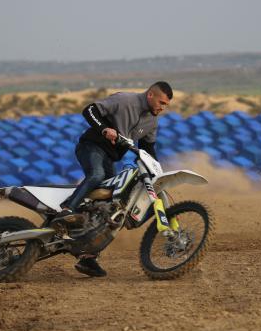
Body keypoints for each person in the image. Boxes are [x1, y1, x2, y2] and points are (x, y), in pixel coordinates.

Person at [52, 81, 173, 277]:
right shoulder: (125, 100)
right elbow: (89, 110)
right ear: (150, 95)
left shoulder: (152, 121)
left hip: (109, 158)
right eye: (161, 102)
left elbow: (148, 149)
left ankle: (88, 258)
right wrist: (104, 129)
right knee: (97, 175)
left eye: (166, 105)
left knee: (110, 206)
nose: (162, 107)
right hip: (91, 147)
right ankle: (66, 210)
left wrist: (157, 172)